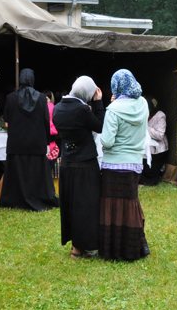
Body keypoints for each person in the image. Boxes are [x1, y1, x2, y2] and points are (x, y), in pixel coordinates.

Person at [99, 69, 150, 260]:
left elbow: (108, 141)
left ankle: (112, 249)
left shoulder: (113, 110)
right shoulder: (143, 104)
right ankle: (138, 245)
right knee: (131, 205)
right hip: (134, 163)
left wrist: (113, 105)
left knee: (111, 207)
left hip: (113, 164)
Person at [52, 76, 105, 259]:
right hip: (85, 163)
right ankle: (81, 247)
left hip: (67, 162)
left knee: (71, 204)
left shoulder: (58, 108)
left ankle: (75, 245)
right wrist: (98, 104)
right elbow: (99, 126)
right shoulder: (82, 110)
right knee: (86, 206)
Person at [0, 69, 58, 212]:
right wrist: (46, 141)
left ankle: (15, 198)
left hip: (17, 143)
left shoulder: (11, 98)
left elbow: (6, 118)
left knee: (17, 173)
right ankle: (38, 197)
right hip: (36, 143)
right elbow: (46, 121)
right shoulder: (42, 99)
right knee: (36, 173)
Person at [140, 96, 168, 186]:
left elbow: (160, 135)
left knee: (151, 170)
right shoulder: (141, 115)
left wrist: (145, 128)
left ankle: (150, 180)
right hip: (144, 148)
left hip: (157, 149)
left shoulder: (160, 115)